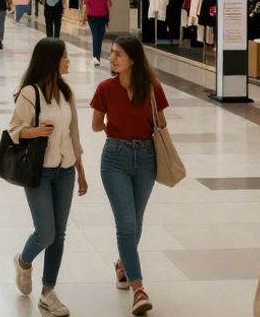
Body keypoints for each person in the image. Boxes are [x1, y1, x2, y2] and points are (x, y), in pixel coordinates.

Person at [91, 37, 169, 315]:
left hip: (146, 158)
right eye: (111, 54)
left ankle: (122, 264)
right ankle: (138, 288)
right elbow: (95, 125)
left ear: (133, 59)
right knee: (125, 224)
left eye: (118, 54)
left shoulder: (152, 88)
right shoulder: (105, 89)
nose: (112, 59)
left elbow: (161, 121)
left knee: (136, 222)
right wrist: (118, 127)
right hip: (114, 158)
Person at [9, 38, 87, 317]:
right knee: (46, 231)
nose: (69, 60)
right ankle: (24, 261)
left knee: (60, 235)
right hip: (39, 171)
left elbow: (73, 133)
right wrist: (36, 131)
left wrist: (80, 171)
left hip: (65, 170)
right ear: (51, 60)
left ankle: (48, 292)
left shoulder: (66, 93)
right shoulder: (30, 93)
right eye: (65, 56)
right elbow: (14, 130)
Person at [84, 0, 112, 65]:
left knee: (96, 37)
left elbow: (87, 6)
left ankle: (96, 57)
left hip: (92, 18)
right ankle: (96, 57)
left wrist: (83, 18)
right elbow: (110, 5)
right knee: (99, 37)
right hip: (102, 17)